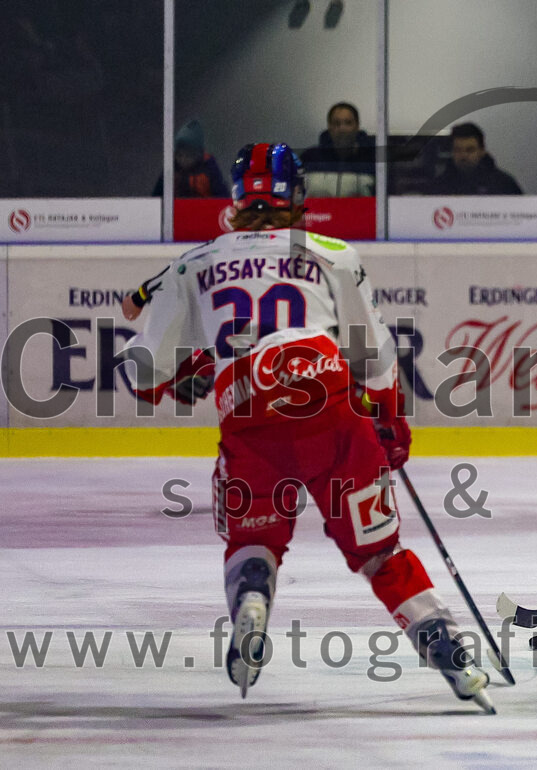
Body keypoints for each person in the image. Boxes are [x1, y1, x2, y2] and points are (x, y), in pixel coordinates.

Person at [122, 142, 494, 712]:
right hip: (331, 403)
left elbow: (144, 373)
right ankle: (448, 648)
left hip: (248, 408)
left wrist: (173, 383)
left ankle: (252, 599)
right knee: (379, 552)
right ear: (297, 196)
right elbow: (376, 355)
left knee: (253, 540)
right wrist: (390, 424)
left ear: (236, 199)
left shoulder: (192, 265)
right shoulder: (333, 254)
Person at [299, 102, 376, 197]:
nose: (342, 129)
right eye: (336, 123)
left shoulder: (372, 159)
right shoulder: (310, 157)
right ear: (329, 127)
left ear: (357, 126)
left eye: (348, 123)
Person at [425, 122, 523, 195]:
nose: (463, 155)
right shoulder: (439, 186)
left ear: (482, 151)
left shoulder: (503, 184)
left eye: (470, 150)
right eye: (458, 150)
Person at [152, 119, 229, 198]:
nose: (183, 159)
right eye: (179, 155)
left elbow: (223, 198)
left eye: (188, 156)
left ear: (198, 155)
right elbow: (156, 200)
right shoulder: (171, 169)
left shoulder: (209, 168)